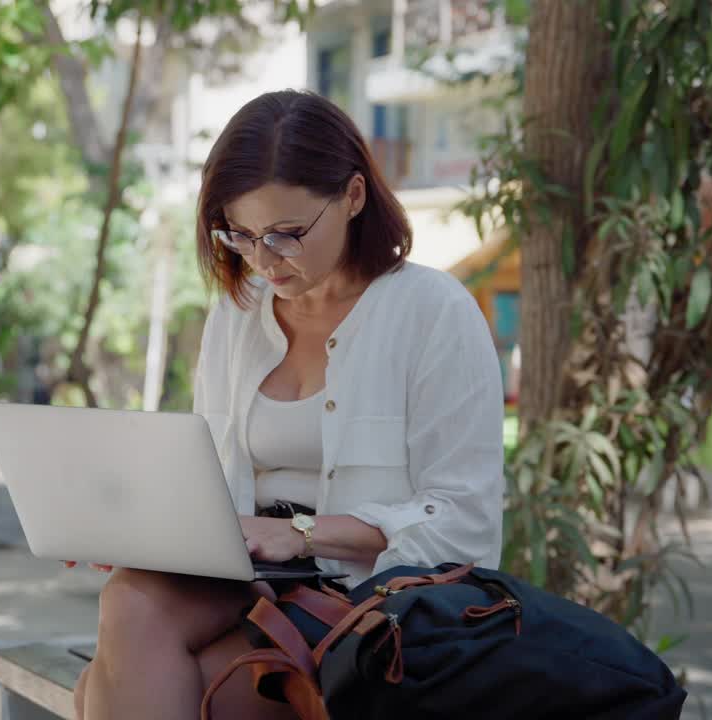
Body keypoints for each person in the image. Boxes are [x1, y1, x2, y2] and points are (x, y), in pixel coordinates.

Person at [69, 90, 505, 720]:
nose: (262, 259)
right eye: (241, 235)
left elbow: (465, 526)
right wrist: (146, 529)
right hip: (245, 583)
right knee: (130, 596)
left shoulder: (434, 313)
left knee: (116, 694)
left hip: (369, 602)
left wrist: (300, 534)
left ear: (354, 197)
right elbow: (213, 477)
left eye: (286, 234)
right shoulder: (238, 314)